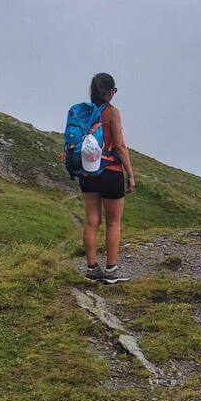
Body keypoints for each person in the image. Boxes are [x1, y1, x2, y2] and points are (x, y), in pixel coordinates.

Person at [79, 72, 135, 282]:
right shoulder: (112, 112)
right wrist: (130, 175)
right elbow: (119, 145)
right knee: (113, 222)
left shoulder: (84, 112)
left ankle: (92, 269)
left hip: (88, 171)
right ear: (110, 92)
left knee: (92, 221)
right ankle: (111, 270)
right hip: (110, 171)